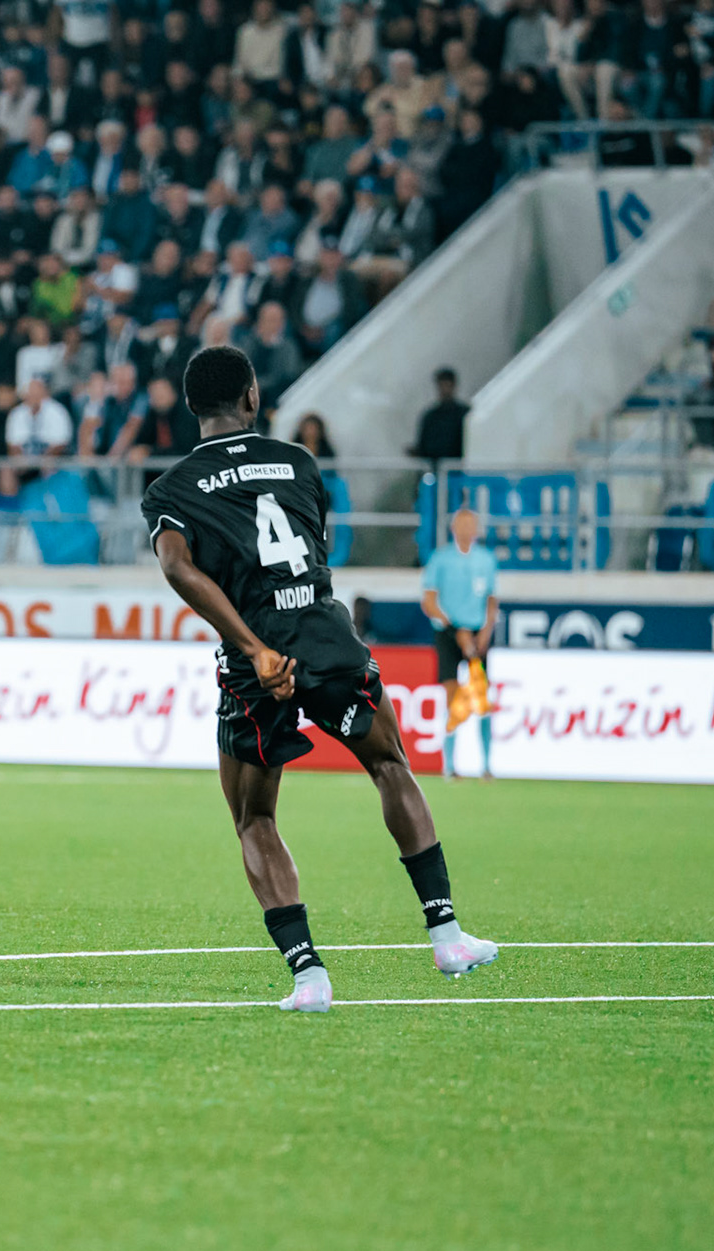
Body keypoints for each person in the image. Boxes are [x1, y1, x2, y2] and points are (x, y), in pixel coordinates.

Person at [140, 345, 496, 1013]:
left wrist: (253, 646)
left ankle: (309, 977)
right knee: (391, 764)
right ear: (251, 397)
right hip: (328, 637)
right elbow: (313, 551)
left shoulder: (172, 489)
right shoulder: (300, 462)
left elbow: (177, 567)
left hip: (256, 658)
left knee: (253, 817)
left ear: (191, 407)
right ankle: (446, 935)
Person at [421, 508, 500, 779]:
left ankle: (487, 764)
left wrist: (486, 631)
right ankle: (449, 765)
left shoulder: (486, 560)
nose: (467, 531)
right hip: (449, 633)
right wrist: (454, 628)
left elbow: (491, 598)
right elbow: (429, 602)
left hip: (478, 634)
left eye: (471, 525)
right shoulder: (441, 559)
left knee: (482, 698)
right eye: (462, 525)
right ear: (454, 529)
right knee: (452, 697)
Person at [410, 366, 467, 461]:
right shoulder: (430, 416)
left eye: (447, 385)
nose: (444, 390)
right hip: (435, 470)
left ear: (454, 386)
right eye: (441, 386)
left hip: (457, 470)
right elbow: (424, 446)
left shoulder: (464, 414)